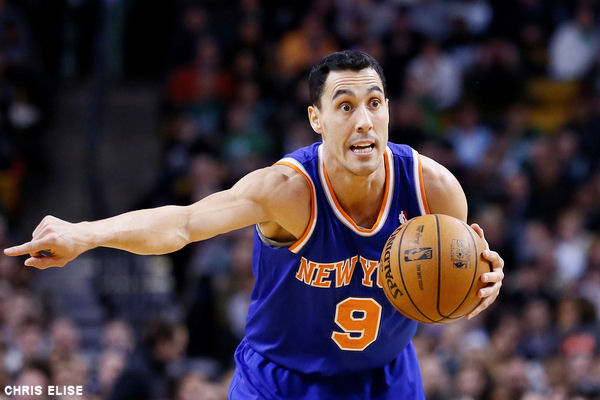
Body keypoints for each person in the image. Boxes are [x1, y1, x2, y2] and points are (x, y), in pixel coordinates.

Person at [4, 50, 504, 399]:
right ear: (316, 119)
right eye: (345, 106)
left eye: (374, 103)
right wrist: (87, 233)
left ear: (389, 110)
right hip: (280, 381)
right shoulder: (287, 190)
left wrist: (482, 280)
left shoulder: (434, 189)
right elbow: (184, 223)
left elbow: (453, 279)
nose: (363, 121)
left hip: (384, 377)